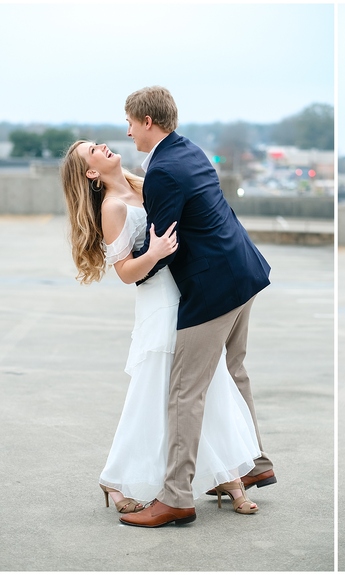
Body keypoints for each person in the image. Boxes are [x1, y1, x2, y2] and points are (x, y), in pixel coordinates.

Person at [61, 140, 262, 518]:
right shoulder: (113, 207)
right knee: (153, 394)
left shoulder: (144, 185)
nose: (102, 146)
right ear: (91, 172)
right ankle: (116, 479)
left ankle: (228, 474)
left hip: (190, 294)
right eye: (92, 151)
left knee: (210, 382)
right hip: (160, 303)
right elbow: (124, 272)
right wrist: (153, 253)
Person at [118, 86, 273, 528]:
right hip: (244, 271)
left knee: (184, 392)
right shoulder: (189, 151)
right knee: (233, 371)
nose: (128, 132)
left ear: (148, 121)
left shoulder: (163, 170)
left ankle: (175, 497)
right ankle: (254, 463)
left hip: (213, 290)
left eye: (130, 123)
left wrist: (128, 267)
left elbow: (162, 242)